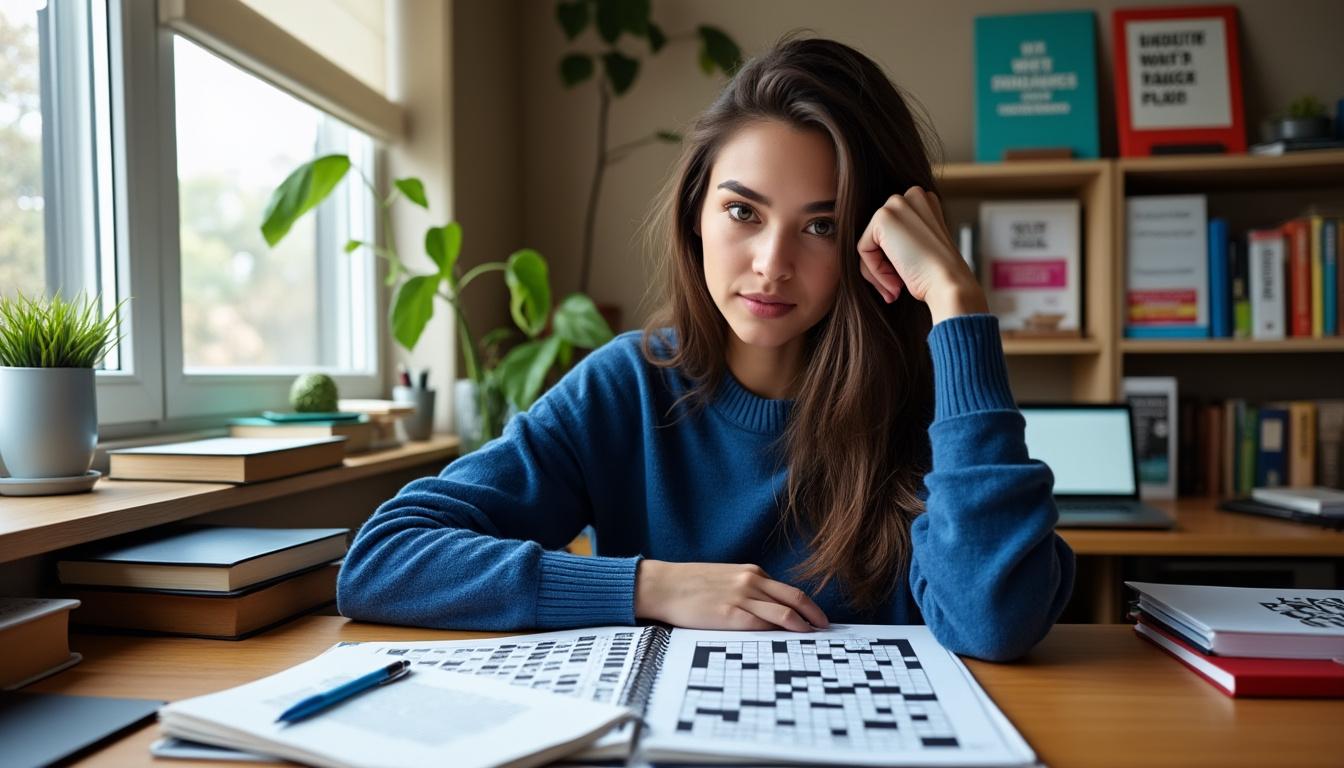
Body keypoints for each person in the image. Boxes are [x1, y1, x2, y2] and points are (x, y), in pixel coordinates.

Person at [338, 36, 1074, 662]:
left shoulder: (936, 407)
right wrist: (650, 586)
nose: (771, 263)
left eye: (821, 225)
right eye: (743, 211)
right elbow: (384, 561)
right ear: (696, 214)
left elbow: (995, 625)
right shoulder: (627, 386)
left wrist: (955, 301)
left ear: (867, 240)